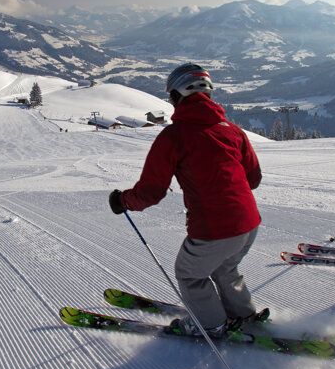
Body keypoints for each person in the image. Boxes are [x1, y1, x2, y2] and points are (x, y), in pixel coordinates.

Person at [108, 63, 264, 338]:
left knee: (190, 275)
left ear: (177, 97)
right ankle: (243, 314)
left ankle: (210, 326)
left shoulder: (173, 136)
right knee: (225, 268)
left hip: (214, 229)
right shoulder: (232, 130)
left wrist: (123, 201)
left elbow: (151, 192)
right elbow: (253, 179)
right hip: (249, 224)